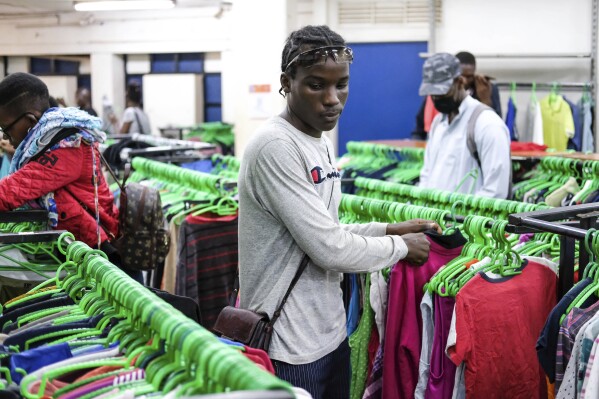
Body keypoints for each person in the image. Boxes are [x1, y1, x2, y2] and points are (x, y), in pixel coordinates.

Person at [238, 25, 436, 398]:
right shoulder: (275, 146)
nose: (333, 99)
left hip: (329, 332)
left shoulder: (321, 142)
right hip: (288, 344)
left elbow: (328, 228)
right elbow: (329, 247)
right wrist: (401, 248)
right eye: (316, 85)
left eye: (341, 84)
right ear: (287, 82)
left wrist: (389, 229)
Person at [0, 73, 142, 284]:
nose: (4, 137)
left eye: (6, 128)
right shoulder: (51, 142)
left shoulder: (67, 147)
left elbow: (9, 193)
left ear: (30, 121)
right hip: (87, 254)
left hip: (106, 264)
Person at [418, 53, 511, 199]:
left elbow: (495, 192)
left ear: (460, 82)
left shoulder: (487, 124)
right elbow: (427, 175)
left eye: (442, 92)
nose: (436, 98)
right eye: (432, 93)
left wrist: (457, 218)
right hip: (433, 219)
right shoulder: (438, 123)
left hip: (464, 221)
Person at [411, 51, 502, 140]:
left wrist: (485, 99)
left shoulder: (487, 88)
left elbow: (495, 123)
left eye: (469, 76)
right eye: (462, 76)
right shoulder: (439, 91)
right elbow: (419, 126)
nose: (465, 80)